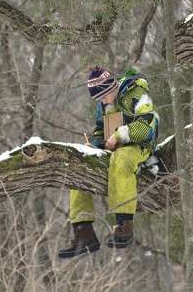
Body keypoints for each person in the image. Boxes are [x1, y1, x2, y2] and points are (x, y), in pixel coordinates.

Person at [58, 67, 159, 259]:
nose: (103, 102)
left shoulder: (137, 94)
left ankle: (124, 225)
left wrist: (119, 135)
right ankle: (83, 233)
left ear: (111, 88)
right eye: (99, 99)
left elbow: (147, 128)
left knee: (121, 159)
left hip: (140, 146)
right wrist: (95, 144)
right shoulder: (103, 104)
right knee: (80, 162)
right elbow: (99, 130)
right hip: (112, 150)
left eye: (104, 97)